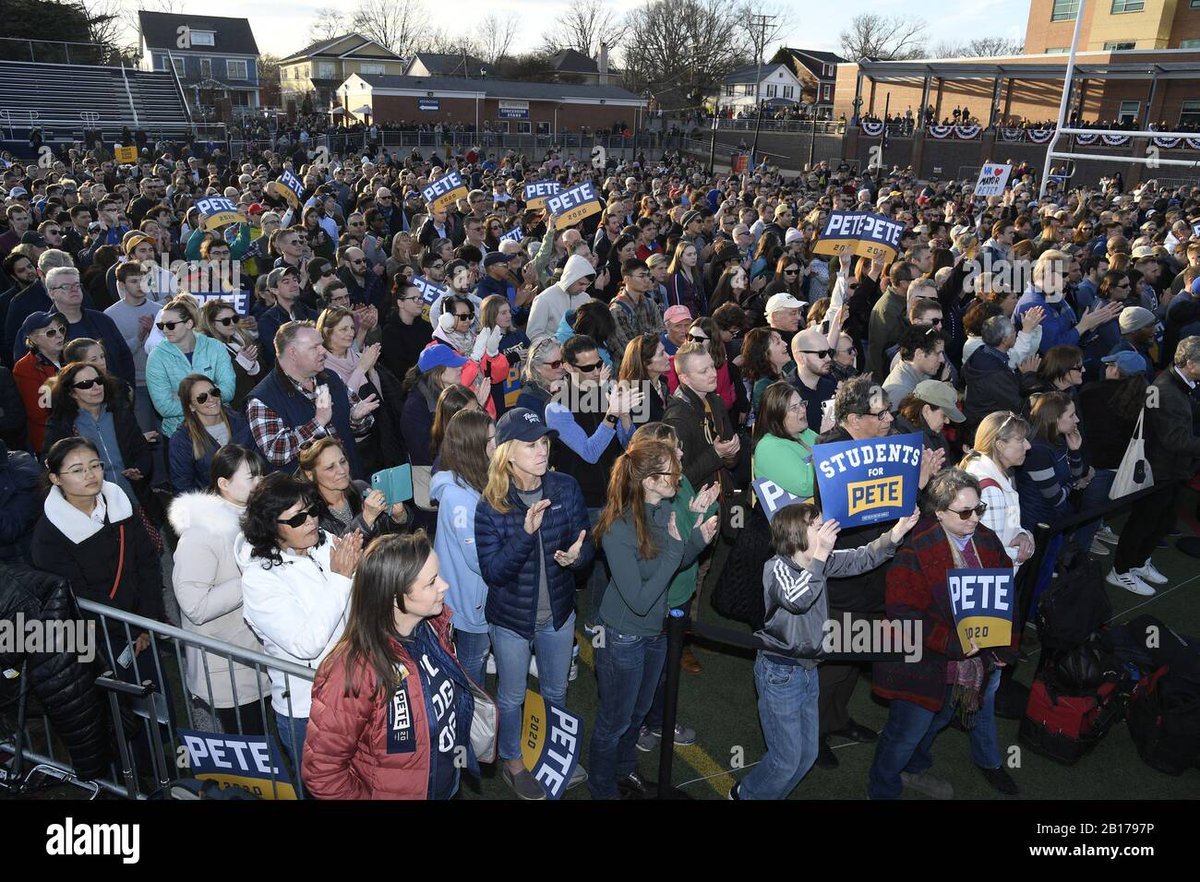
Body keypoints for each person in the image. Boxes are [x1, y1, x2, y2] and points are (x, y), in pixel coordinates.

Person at [732, 502, 916, 801]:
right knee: (786, 760)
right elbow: (797, 599)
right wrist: (820, 557)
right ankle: (744, 794)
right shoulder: (776, 568)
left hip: (808, 670)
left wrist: (896, 533)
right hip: (779, 673)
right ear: (796, 534)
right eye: (818, 526)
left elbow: (862, 558)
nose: (828, 530)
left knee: (807, 755)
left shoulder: (820, 561)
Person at [868, 468, 1018, 799]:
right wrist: (953, 643)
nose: (975, 518)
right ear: (938, 512)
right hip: (922, 664)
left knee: (938, 721)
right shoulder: (915, 550)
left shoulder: (986, 540)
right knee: (905, 733)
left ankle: (913, 770)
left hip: (967, 665)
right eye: (965, 512)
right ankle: (882, 789)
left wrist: (1003, 645)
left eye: (978, 509)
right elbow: (902, 614)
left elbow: (1006, 595)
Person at [302, 531, 479, 799]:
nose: (444, 586)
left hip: (447, 786)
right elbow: (322, 773)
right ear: (395, 597)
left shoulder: (433, 629)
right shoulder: (353, 671)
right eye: (431, 582)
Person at [588, 440, 718, 800]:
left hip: (655, 632)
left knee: (639, 712)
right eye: (671, 470)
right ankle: (602, 789)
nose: (680, 473)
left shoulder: (662, 509)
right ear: (648, 481)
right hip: (623, 637)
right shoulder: (617, 527)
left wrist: (697, 539)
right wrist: (678, 548)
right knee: (614, 722)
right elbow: (641, 600)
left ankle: (624, 771)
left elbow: (671, 562)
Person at [474, 407, 593, 800]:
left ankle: (552, 755)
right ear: (508, 453)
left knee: (556, 691)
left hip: (558, 615)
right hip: (510, 620)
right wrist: (525, 535)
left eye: (543, 442)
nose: (542, 450)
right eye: (531, 445)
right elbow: (494, 572)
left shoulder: (565, 487)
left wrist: (577, 557)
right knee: (512, 696)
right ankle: (514, 763)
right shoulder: (491, 503)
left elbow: (586, 544)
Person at [236, 472, 364, 763]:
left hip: (355, 691)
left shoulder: (324, 542)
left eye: (313, 510)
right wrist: (342, 577)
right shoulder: (259, 579)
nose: (311, 521)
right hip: (309, 710)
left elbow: (353, 602)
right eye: (297, 519)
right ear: (271, 526)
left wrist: (359, 570)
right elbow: (306, 644)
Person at [30, 438, 165, 678]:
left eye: (94, 465)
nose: (90, 475)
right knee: (119, 692)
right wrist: (132, 629)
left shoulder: (119, 503)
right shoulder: (49, 534)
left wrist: (147, 619)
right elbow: (77, 593)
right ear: (56, 479)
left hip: (141, 621)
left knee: (156, 687)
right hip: (99, 634)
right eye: (77, 470)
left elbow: (147, 561)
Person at [167, 445, 271, 734]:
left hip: (257, 655)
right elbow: (195, 606)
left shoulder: (255, 519)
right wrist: (252, 576)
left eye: (261, 475)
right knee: (249, 745)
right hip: (228, 667)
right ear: (224, 484)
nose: (260, 482)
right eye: (252, 477)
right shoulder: (201, 533)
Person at [1108, 337, 1200, 592]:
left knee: (1162, 521)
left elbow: (1187, 412)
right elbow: (1175, 440)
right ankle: (1121, 570)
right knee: (1144, 523)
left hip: (1168, 470)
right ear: (1190, 364)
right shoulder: (1167, 389)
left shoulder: (1174, 383)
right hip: (1159, 471)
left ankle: (1138, 562)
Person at [247, 321, 380, 479]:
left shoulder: (330, 378)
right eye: (314, 347)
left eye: (321, 345)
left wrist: (356, 419)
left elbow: (363, 428)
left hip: (350, 481)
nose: (323, 351)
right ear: (292, 353)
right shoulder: (262, 398)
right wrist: (318, 422)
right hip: (308, 491)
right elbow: (276, 452)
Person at [430, 409, 496, 688]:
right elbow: (479, 559)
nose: (497, 445)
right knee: (472, 664)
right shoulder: (459, 498)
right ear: (473, 447)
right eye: (490, 440)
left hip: (470, 596)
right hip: (470, 602)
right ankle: (471, 710)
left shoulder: (471, 482)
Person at [42, 361, 152, 504]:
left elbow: (141, 450)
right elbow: (51, 463)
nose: (96, 387)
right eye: (86, 384)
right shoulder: (61, 425)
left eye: (99, 381)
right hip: (90, 502)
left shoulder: (121, 413)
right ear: (72, 393)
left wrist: (139, 469)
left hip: (133, 496)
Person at [145, 296, 235, 437]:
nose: (165, 330)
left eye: (170, 325)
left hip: (220, 427)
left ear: (188, 324)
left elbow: (228, 391)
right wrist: (211, 396)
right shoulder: (156, 357)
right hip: (180, 434)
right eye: (161, 326)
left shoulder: (215, 347)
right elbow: (164, 407)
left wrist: (185, 399)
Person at [961, 411, 1035, 572]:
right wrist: (1024, 551)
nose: (1028, 446)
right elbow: (987, 554)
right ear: (1000, 445)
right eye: (1021, 440)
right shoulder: (991, 491)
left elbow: (1007, 528)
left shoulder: (980, 468)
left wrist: (1021, 534)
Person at [299, 436, 408, 539]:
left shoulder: (361, 488)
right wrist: (366, 518)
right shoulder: (311, 514)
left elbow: (389, 538)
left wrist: (399, 517)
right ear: (310, 474)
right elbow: (335, 550)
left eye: (343, 461)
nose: (342, 470)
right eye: (330, 467)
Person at [167, 373, 254, 494]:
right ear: (191, 406)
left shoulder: (241, 421)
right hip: (212, 502)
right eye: (202, 398)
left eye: (214, 392)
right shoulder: (182, 440)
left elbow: (257, 461)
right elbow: (183, 487)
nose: (211, 399)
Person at [751, 381, 820, 500]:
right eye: (794, 408)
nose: (803, 410)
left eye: (802, 404)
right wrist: (825, 441)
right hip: (796, 511)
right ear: (777, 415)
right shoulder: (769, 447)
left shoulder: (806, 433)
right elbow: (807, 485)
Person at [13, 310, 66, 452]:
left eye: (61, 329)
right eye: (50, 332)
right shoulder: (25, 367)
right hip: (51, 442)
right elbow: (39, 412)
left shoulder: (71, 354)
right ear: (33, 339)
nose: (59, 335)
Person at [198, 299, 261, 410]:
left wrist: (252, 363)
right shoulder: (208, 348)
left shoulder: (241, 338)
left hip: (250, 402)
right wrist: (242, 362)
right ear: (212, 324)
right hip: (232, 408)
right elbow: (218, 381)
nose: (232, 324)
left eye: (235, 319)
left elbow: (262, 372)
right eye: (226, 321)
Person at [525, 254, 596, 342]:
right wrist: (557, 342)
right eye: (581, 284)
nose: (584, 289)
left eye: (587, 285)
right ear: (571, 278)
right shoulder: (544, 299)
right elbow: (533, 335)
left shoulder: (586, 298)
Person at [893, 380, 963, 461]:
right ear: (926, 411)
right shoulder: (905, 443)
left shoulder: (933, 432)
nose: (947, 421)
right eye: (944, 416)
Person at [380, 279, 433, 383]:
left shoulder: (426, 327)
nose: (420, 302)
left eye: (420, 298)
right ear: (400, 303)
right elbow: (397, 368)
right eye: (414, 299)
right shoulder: (390, 332)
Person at [618, 333, 672, 424]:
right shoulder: (636, 396)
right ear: (646, 364)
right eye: (661, 354)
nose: (668, 356)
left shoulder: (662, 383)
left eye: (665, 351)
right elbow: (643, 430)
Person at [740, 327, 790, 421]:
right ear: (765, 354)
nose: (785, 344)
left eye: (782, 339)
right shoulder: (763, 386)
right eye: (778, 343)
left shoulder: (790, 366)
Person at [514, 336, 565, 420]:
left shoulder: (569, 382)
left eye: (563, 361)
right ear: (537, 366)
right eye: (555, 364)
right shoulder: (528, 399)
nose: (562, 366)